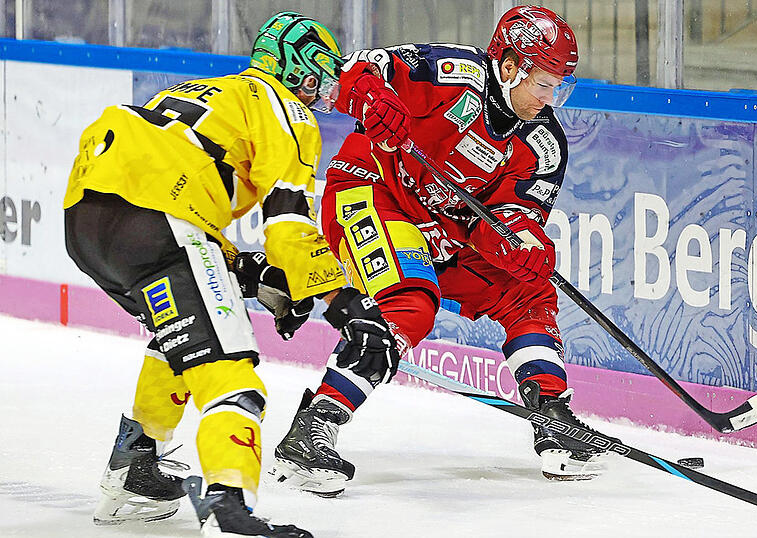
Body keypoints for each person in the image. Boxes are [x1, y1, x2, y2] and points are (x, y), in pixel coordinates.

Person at [63, 12, 395, 537]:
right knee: (234, 379)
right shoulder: (287, 112)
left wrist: (254, 273)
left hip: (86, 218)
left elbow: (183, 185)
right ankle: (228, 510)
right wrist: (340, 299)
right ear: (300, 70)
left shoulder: (214, 90)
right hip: (157, 222)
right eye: (322, 77)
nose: (324, 92)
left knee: (182, 337)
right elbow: (289, 227)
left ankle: (134, 470)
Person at [270, 5, 614, 497]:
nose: (551, 97)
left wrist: (520, 243)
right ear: (511, 65)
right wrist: (373, 100)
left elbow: (515, 217)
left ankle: (552, 415)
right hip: (374, 190)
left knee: (527, 287)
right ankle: (314, 427)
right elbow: (354, 68)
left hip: (445, 229)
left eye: (560, 85)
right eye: (543, 83)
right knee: (411, 303)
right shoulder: (455, 75)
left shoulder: (544, 144)